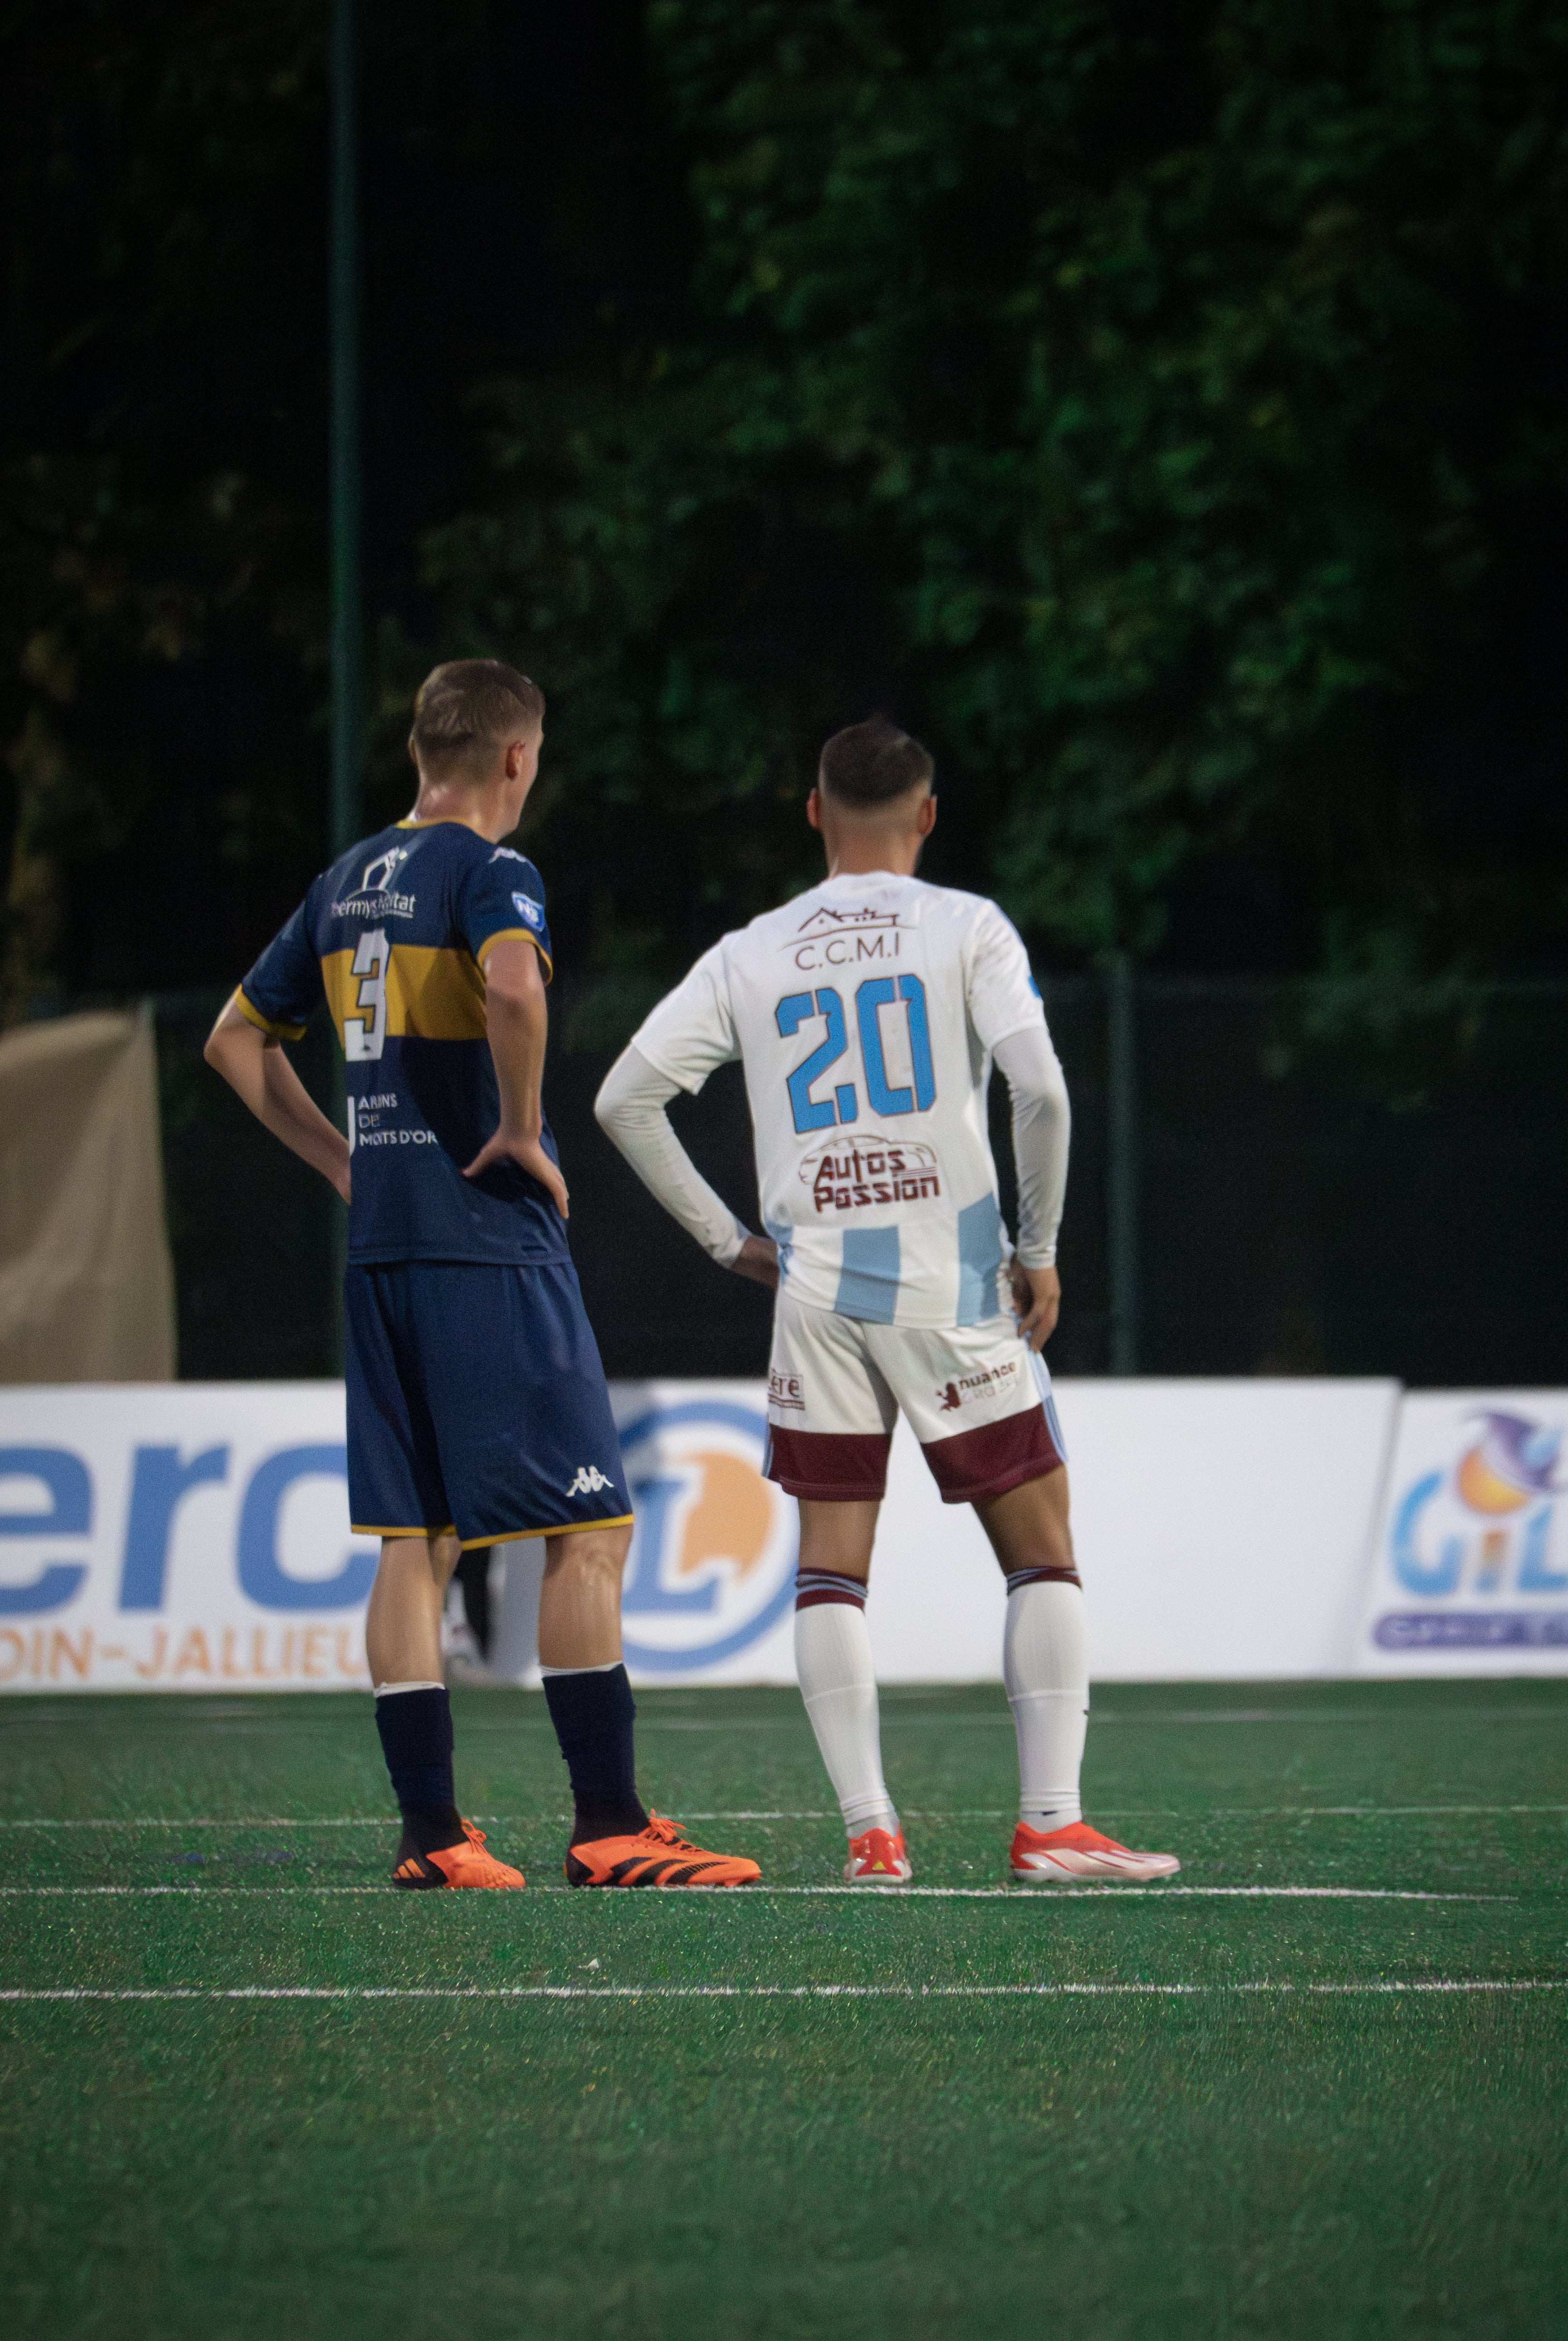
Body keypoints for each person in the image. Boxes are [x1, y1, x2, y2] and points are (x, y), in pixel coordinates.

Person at [205, 658, 759, 1893]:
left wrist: (343, 1160)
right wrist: (516, 1123)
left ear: (420, 749)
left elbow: (234, 1039)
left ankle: (433, 1834)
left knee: (415, 1539)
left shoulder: (344, 877)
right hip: (485, 1238)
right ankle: (609, 1822)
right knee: (590, 1525)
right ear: (517, 756)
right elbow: (513, 981)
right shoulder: (492, 870)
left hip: (384, 1245)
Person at [595, 716, 1178, 1887]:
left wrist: (727, 1240)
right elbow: (1043, 1093)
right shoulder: (965, 923)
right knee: (1040, 1546)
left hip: (813, 1286)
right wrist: (1041, 1246)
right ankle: (1050, 1823)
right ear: (925, 815)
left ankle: (873, 1834)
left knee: (829, 1563)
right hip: (948, 1279)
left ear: (813, 811)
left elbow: (623, 1098)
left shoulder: (750, 950)